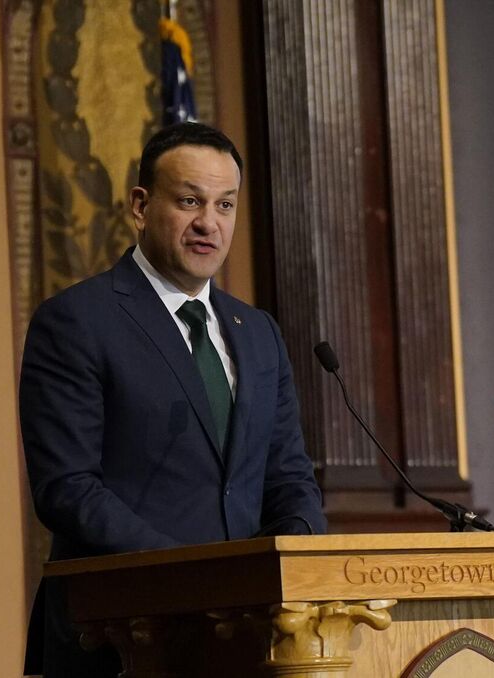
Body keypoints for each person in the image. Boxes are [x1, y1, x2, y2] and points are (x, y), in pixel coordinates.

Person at [20, 122, 326, 677]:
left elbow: (289, 479)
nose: (209, 223)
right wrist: (191, 577)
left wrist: (302, 557)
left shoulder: (257, 332)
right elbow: (67, 489)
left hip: (249, 636)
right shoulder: (76, 322)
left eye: (225, 205)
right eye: (190, 201)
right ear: (141, 205)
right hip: (119, 636)